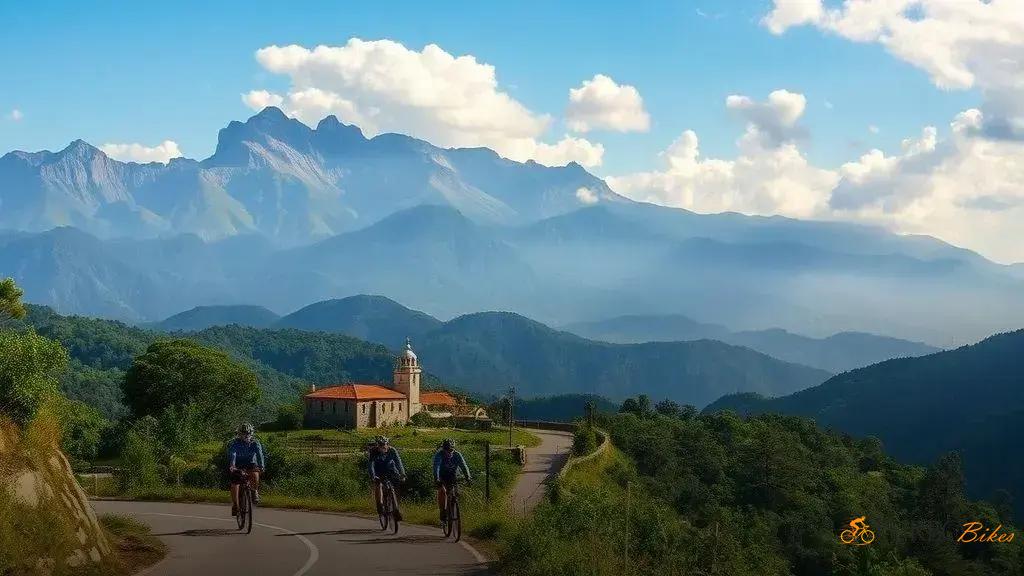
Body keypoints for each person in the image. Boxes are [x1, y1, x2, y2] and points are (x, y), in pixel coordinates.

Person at [228, 423, 266, 516]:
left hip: (251, 464)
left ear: (251, 433)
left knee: (255, 473)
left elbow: (259, 454)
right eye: (243, 433)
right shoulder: (235, 443)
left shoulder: (255, 442)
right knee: (235, 483)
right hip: (238, 465)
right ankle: (236, 505)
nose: (245, 435)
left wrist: (261, 466)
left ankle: (255, 491)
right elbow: (233, 454)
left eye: (247, 433)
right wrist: (232, 465)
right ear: (239, 433)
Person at [433, 438, 471, 525]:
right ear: (443, 449)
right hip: (442, 476)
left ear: (453, 449)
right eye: (446, 449)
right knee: (442, 492)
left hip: (453, 476)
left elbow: (464, 466)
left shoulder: (457, 455)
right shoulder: (439, 455)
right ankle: (442, 514)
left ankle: (452, 507)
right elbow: (436, 467)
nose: (448, 452)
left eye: (451, 450)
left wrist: (468, 477)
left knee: (455, 493)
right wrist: (437, 479)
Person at [368, 435, 406, 520]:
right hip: (378, 472)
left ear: (388, 444)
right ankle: (380, 505)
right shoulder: (373, 451)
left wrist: (402, 474)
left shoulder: (392, 450)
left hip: (391, 470)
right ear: (377, 446)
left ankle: (396, 508)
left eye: (385, 445)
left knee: (396, 487)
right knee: (379, 485)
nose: (383, 447)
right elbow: (371, 465)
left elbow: (398, 462)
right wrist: (373, 476)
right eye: (380, 446)